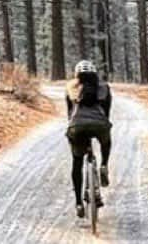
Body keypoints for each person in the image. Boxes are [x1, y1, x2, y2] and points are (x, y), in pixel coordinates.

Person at [65, 59, 112, 218]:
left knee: (77, 161)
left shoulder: (71, 87)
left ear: (77, 74)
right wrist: (104, 123)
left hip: (77, 126)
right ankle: (104, 164)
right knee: (106, 140)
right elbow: (107, 111)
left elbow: (69, 112)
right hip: (99, 124)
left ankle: (78, 202)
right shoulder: (104, 87)